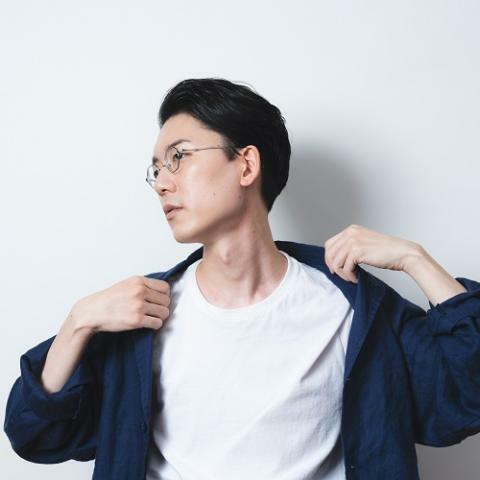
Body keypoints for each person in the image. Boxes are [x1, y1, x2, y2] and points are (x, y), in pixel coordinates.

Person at [4, 77, 480, 480]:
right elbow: (35, 435)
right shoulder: (140, 312)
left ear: (247, 164)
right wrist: (78, 323)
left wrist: (417, 260)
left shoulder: (351, 305)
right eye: (156, 169)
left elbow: (466, 398)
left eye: (179, 156)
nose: (162, 183)